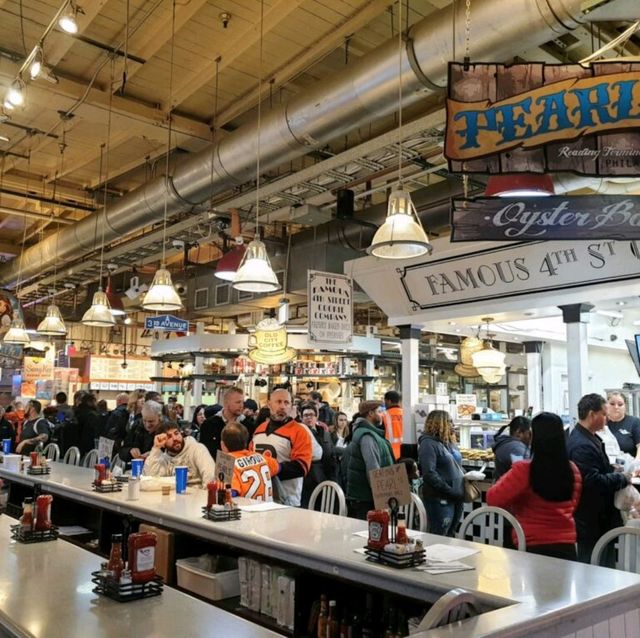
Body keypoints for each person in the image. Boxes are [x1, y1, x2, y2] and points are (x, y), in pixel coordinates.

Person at [487, 412, 582, 559]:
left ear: (533, 437)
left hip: (531, 545)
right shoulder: (573, 470)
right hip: (566, 545)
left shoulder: (524, 470)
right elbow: (573, 505)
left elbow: (493, 498)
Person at [567, 393, 630, 565]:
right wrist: (621, 478)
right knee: (594, 565)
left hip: (600, 516)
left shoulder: (590, 437)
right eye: (603, 413)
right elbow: (592, 481)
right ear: (592, 414)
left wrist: (611, 469)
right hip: (591, 517)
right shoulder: (582, 444)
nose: (606, 417)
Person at [251, 388, 312, 507]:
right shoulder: (259, 430)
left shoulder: (300, 431)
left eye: (286, 402)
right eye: (278, 402)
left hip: (287, 501)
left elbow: (302, 467)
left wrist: (275, 468)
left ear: (291, 406)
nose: (282, 406)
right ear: (269, 404)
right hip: (259, 498)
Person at [345, 400, 395, 520]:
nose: (381, 414)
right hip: (367, 499)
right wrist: (382, 499)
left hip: (366, 497)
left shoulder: (368, 433)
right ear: (371, 413)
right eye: (379, 411)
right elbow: (373, 469)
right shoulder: (367, 436)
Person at [418, 410, 464, 537]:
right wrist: (449, 490)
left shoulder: (449, 443)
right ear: (439, 423)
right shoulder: (428, 444)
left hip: (456, 497)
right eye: (449, 421)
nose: (452, 425)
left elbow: (456, 465)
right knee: (440, 535)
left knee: (451, 534)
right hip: (440, 499)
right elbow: (429, 473)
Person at [143, 422, 216, 487]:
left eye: (176, 433)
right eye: (169, 437)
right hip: (173, 499)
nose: (175, 438)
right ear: (163, 444)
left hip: (197, 497)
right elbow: (149, 479)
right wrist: (156, 448)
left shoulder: (197, 449)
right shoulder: (164, 458)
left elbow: (210, 476)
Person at [221, 421, 279, 501]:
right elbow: (278, 467)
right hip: (268, 509)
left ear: (222, 445)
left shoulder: (226, 463)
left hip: (246, 511)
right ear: (246, 442)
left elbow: (230, 493)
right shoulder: (260, 457)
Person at [300, 403, 336, 508]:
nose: (309, 418)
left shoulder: (325, 433)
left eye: (311, 415)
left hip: (326, 476)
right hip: (309, 480)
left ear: (316, 417)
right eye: (306, 415)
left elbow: (331, 453)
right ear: (302, 418)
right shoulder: (300, 434)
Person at [200, 387, 245, 460]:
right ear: (226, 403)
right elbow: (203, 452)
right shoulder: (209, 425)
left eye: (243, 402)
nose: (241, 406)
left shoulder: (247, 425)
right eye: (238, 402)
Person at [492, 416, 531, 480]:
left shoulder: (507, 444)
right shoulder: (515, 448)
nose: (530, 437)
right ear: (519, 432)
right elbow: (524, 471)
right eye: (529, 433)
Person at [606, 392, 640, 458]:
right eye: (612, 404)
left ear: (625, 406)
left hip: (629, 465)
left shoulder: (634, 422)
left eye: (620, 404)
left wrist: (636, 463)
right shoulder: (601, 423)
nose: (616, 407)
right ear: (606, 405)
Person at [382, 390, 403, 460]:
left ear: (389, 401)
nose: (384, 403)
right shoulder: (405, 414)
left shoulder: (383, 415)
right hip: (405, 451)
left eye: (385, 401)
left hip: (389, 453)